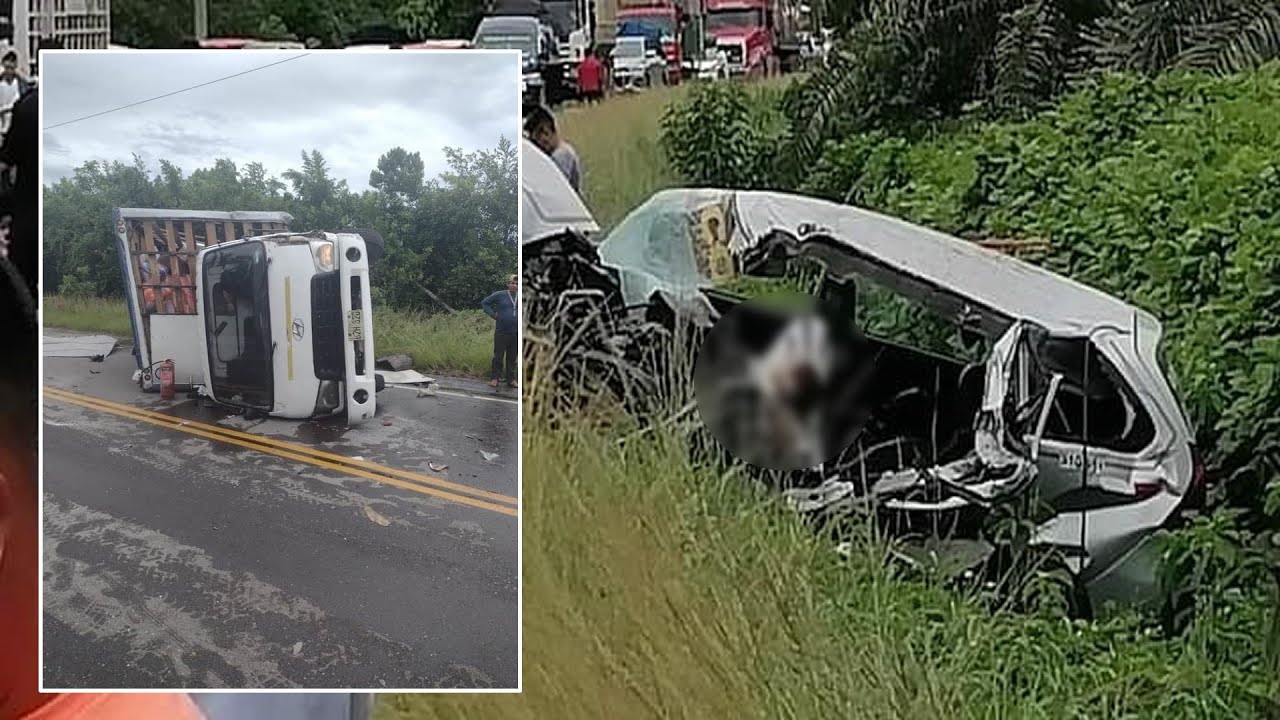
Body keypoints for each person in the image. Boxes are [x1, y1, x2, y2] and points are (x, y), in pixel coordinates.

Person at [523, 105, 582, 193]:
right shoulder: (557, 153)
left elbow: (553, 188)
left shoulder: (561, 155)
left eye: (537, 140)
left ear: (546, 133)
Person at [481, 274, 519, 389]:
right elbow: (485, 303)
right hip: (501, 331)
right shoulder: (500, 295)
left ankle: (511, 379)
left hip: (516, 332)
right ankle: (495, 378)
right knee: (498, 356)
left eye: (517, 284)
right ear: (508, 284)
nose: (515, 285)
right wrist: (493, 314)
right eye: (512, 283)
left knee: (512, 357)